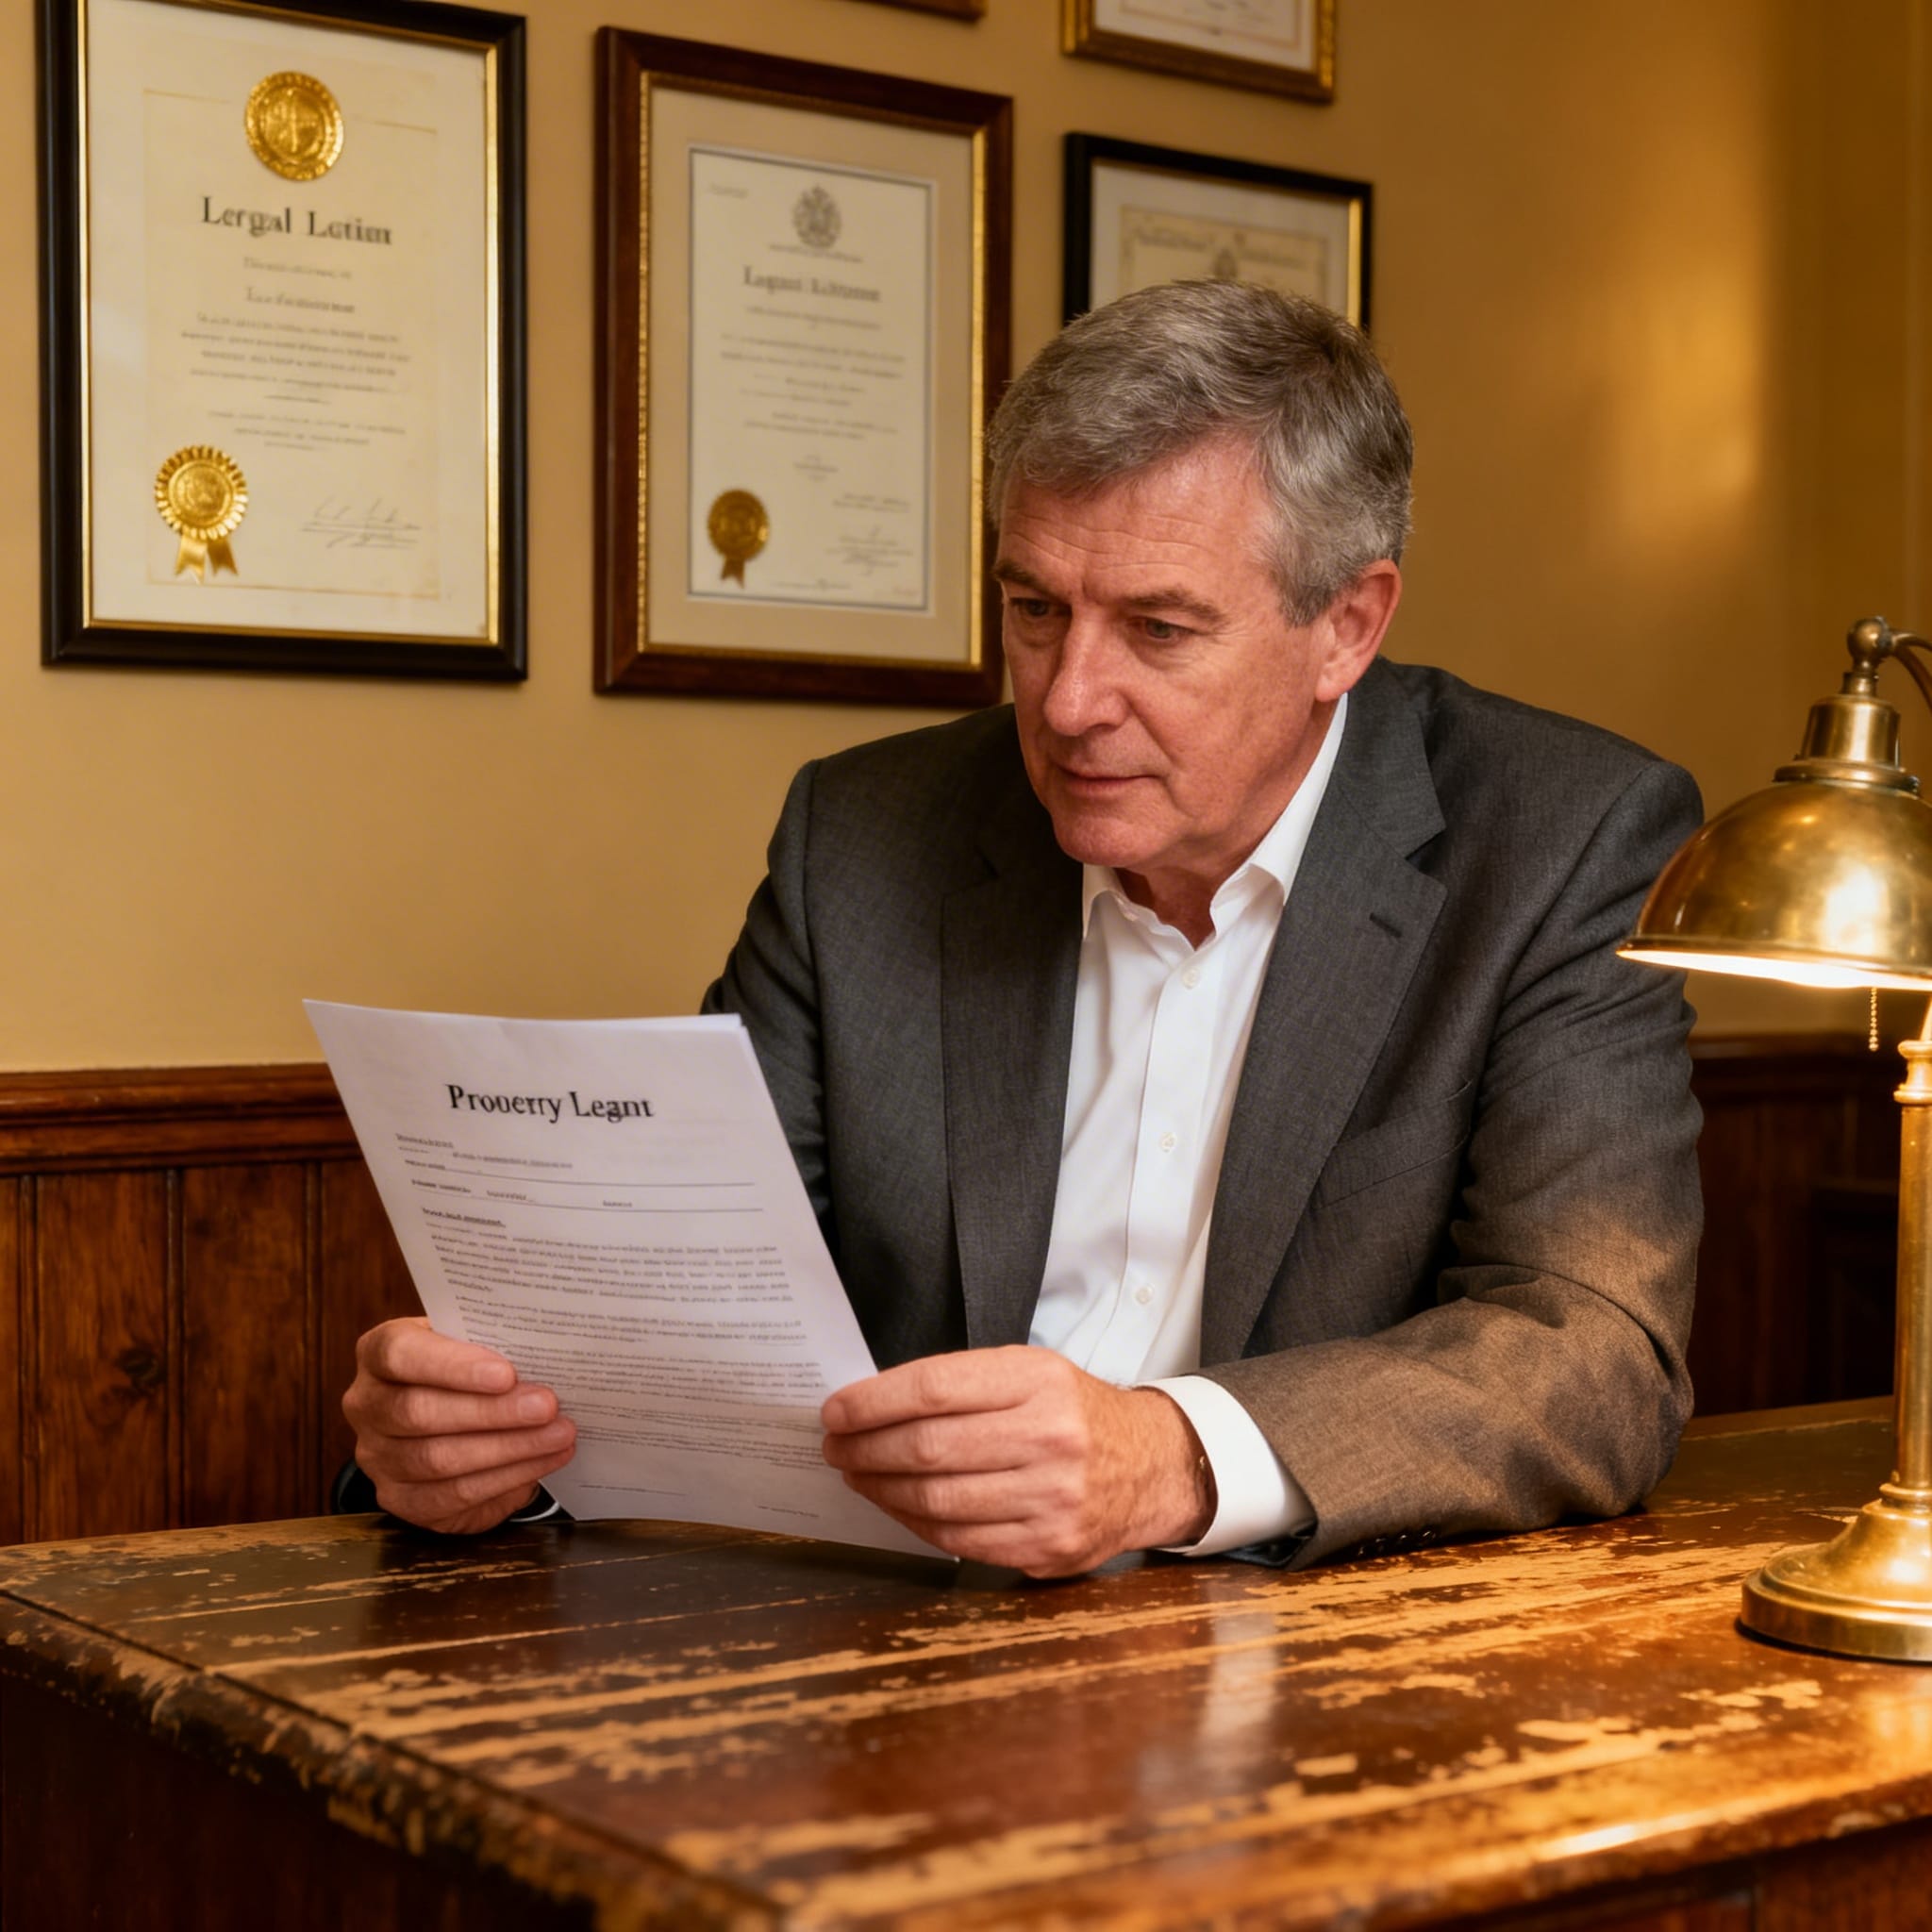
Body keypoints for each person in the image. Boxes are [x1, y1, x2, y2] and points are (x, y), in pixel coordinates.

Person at [343, 281, 1703, 1575]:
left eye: (1159, 630)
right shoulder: (865, 837)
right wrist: (498, 1451)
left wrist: (1170, 1458)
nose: (1065, 703)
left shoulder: (1561, 839)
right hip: (892, 1643)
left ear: (1347, 624)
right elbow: (694, 1304)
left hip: (1325, 1657)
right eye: (1035, 611)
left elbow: (1589, 1352)